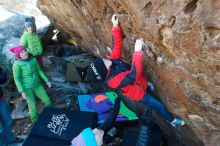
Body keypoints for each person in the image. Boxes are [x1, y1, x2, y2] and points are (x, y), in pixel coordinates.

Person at [87, 14, 185, 134]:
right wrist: (137, 52)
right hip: (138, 93)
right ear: (104, 71)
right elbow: (134, 74)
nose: (104, 59)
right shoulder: (113, 81)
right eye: (103, 62)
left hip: (139, 83)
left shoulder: (111, 62)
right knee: (157, 105)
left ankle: (148, 87)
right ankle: (172, 120)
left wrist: (115, 26)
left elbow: (116, 47)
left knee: (147, 87)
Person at [10, 45, 53, 123]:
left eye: (25, 51)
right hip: (27, 88)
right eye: (22, 52)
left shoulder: (33, 60)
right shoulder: (17, 64)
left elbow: (39, 71)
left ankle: (52, 114)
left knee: (47, 100)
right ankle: (35, 121)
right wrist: (22, 91)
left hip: (37, 85)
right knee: (32, 105)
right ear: (19, 55)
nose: (25, 53)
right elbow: (17, 79)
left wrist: (46, 80)